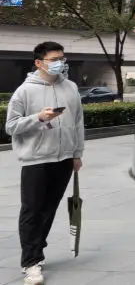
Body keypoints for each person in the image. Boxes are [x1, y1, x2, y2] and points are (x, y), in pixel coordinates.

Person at [5, 42, 84, 285]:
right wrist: (38, 118)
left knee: (49, 210)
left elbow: (79, 122)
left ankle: (36, 252)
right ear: (39, 63)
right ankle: (30, 263)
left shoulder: (70, 87)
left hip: (64, 160)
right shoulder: (24, 92)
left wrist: (77, 153)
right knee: (32, 211)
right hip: (36, 160)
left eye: (62, 57)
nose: (60, 62)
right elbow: (11, 126)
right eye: (54, 59)